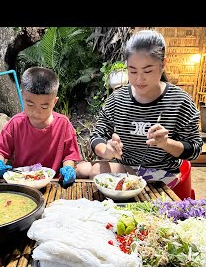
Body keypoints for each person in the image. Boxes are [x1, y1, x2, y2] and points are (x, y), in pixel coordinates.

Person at [79, 29, 203, 188]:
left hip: (162, 173)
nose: (139, 79)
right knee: (89, 169)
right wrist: (107, 151)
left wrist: (166, 143)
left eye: (148, 70)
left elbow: (194, 149)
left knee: (94, 171)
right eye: (132, 71)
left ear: (163, 64)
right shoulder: (118, 99)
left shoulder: (180, 101)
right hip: (127, 167)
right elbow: (97, 136)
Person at [0, 66, 88, 187]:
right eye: (30, 104)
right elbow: (0, 150)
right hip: (20, 182)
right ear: (22, 96)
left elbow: (69, 155)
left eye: (44, 107)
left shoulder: (63, 124)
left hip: (52, 182)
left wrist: (68, 169)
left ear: (54, 102)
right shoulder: (15, 123)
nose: (36, 112)